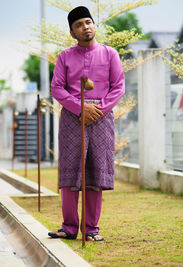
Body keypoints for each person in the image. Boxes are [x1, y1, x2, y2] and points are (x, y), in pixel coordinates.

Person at [48, 6, 125, 241]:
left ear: (94, 25)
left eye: (88, 22)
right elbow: (56, 88)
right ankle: (69, 227)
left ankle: (91, 229)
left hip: (102, 119)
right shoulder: (64, 56)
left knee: (95, 172)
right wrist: (81, 108)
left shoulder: (110, 53)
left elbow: (118, 86)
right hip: (72, 118)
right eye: (79, 24)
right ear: (72, 32)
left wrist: (97, 109)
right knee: (70, 172)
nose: (85, 27)